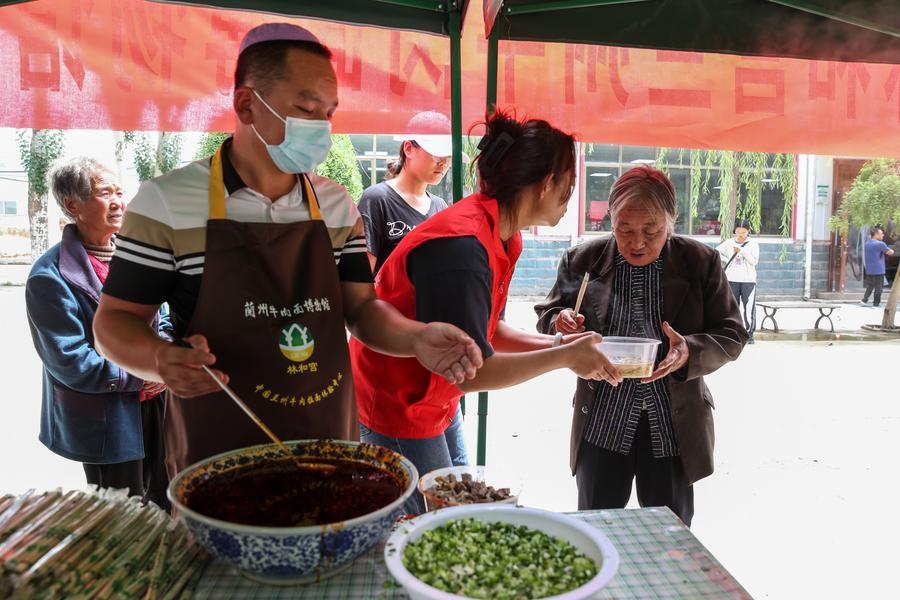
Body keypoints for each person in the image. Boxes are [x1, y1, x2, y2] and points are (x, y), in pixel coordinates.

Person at [92, 23, 482, 480]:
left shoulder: (336, 206)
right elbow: (113, 323)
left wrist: (415, 338)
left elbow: (361, 309)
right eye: (306, 109)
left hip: (327, 440)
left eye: (328, 113)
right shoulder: (168, 203)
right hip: (218, 451)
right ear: (245, 104)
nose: (320, 127)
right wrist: (158, 359)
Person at [351, 111, 622, 514]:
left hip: (437, 396)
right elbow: (476, 367)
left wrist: (560, 342)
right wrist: (564, 357)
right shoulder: (464, 246)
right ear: (546, 185)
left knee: (463, 505)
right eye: (568, 187)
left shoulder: (499, 234)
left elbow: (486, 332)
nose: (570, 198)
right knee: (435, 523)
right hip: (398, 401)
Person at [535, 165, 748, 526]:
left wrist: (689, 352)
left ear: (671, 221)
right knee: (598, 531)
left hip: (671, 424)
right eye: (624, 229)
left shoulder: (700, 262)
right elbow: (549, 315)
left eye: (651, 230)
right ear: (611, 221)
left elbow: (731, 333)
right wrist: (560, 322)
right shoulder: (583, 260)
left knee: (670, 535)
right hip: (603, 420)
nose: (636, 242)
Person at [26, 158, 170, 508]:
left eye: (120, 191)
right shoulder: (49, 277)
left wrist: (164, 358)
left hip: (159, 404)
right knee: (122, 514)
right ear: (72, 205)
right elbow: (70, 359)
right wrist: (140, 376)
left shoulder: (136, 253)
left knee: (169, 499)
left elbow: (164, 315)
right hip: (109, 418)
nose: (119, 201)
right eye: (106, 193)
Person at [358, 111, 452, 274]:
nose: (443, 163)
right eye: (437, 154)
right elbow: (363, 277)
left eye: (449, 156)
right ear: (408, 148)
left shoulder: (440, 206)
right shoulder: (377, 199)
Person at [716, 218, 760, 342]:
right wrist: (726, 258)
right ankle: (733, 332)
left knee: (749, 307)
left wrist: (742, 251)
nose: (740, 235)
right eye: (738, 232)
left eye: (743, 233)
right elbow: (717, 251)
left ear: (748, 231)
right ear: (735, 231)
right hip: (731, 279)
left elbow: (754, 261)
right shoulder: (729, 242)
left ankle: (749, 334)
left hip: (748, 280)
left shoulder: (753, 243)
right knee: (732, 307)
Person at [862, 226, 894, 307]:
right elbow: (890, 252)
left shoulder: (867, 243)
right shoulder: (880, 244)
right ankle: (876, 303)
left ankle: (864, 300)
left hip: (869, 269)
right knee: (879, 288)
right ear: (876, 234)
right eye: (881, 233)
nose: (883, 235)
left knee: (870, 285)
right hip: (879, 269)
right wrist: (892, 250)